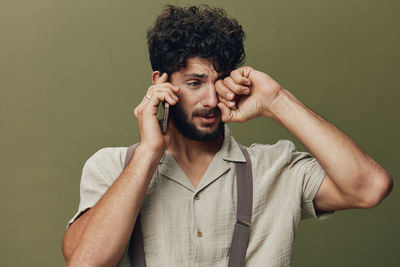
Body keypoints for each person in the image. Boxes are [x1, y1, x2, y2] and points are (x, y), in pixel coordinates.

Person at [62, 5, 393, 267]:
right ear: (161, 82)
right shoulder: (111, 167)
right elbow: (85, 262)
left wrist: (277, 101)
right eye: (194, 83)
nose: (210, 100)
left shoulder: (274, 168)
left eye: (218, 81)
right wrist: (149, 152)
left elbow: (370, 187)